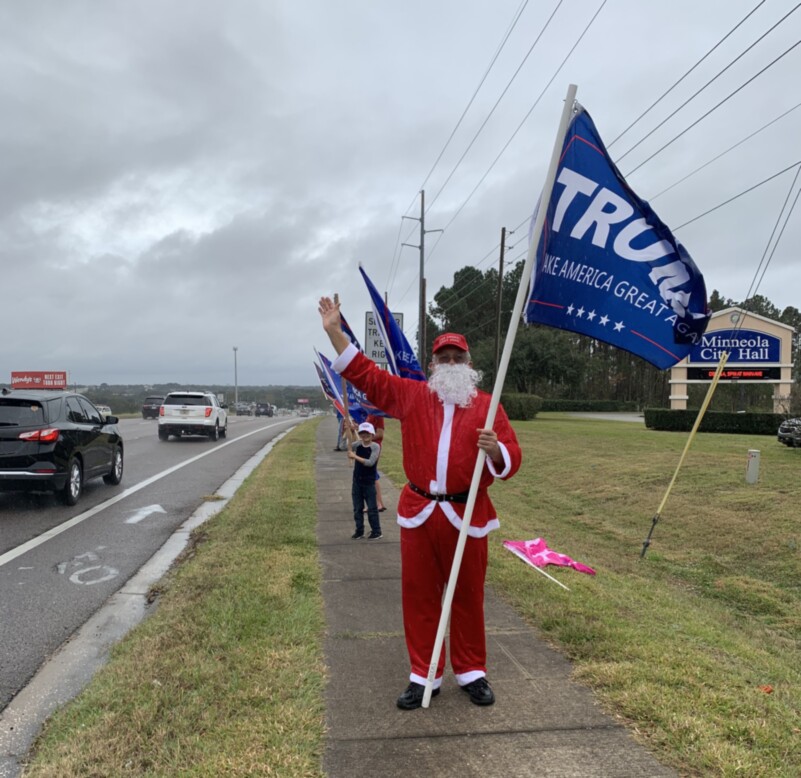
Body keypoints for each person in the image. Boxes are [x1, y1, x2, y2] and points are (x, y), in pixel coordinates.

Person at [318, 296, 522, 710]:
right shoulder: (412, 396)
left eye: (456, 357)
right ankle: (423, 674)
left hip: (467, 514)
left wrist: (496, 449)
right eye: (442, 357)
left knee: (467, 594)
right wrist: (334, 332)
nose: (450, 364)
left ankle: (471, 671)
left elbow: (513, 458)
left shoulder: (488, 405)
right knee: (420, 594)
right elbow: (367, 375)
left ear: (469, 363)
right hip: (420, 511)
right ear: (432, 365)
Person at [349, 421, 382, 540]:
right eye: (362, 433)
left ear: (372, 434)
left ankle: (376, 531)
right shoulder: (357, 444)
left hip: (368, 482)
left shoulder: (375, 446)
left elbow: (370, 462)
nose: (365, 436)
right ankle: (359, 531)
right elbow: (345, 447)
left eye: (367, 433)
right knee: (357, 508)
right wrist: (351, 431)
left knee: (372, 508)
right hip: (357, 481)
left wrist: (355, 457)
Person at [365, 413, 387, 512]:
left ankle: (377, 504)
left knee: (371, 475)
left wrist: (366, 438)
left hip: (374, 448)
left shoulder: (378, 414)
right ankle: (378, 503)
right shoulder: (369, 413)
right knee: (371, 475)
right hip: (368, 447)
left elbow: (380, 434)